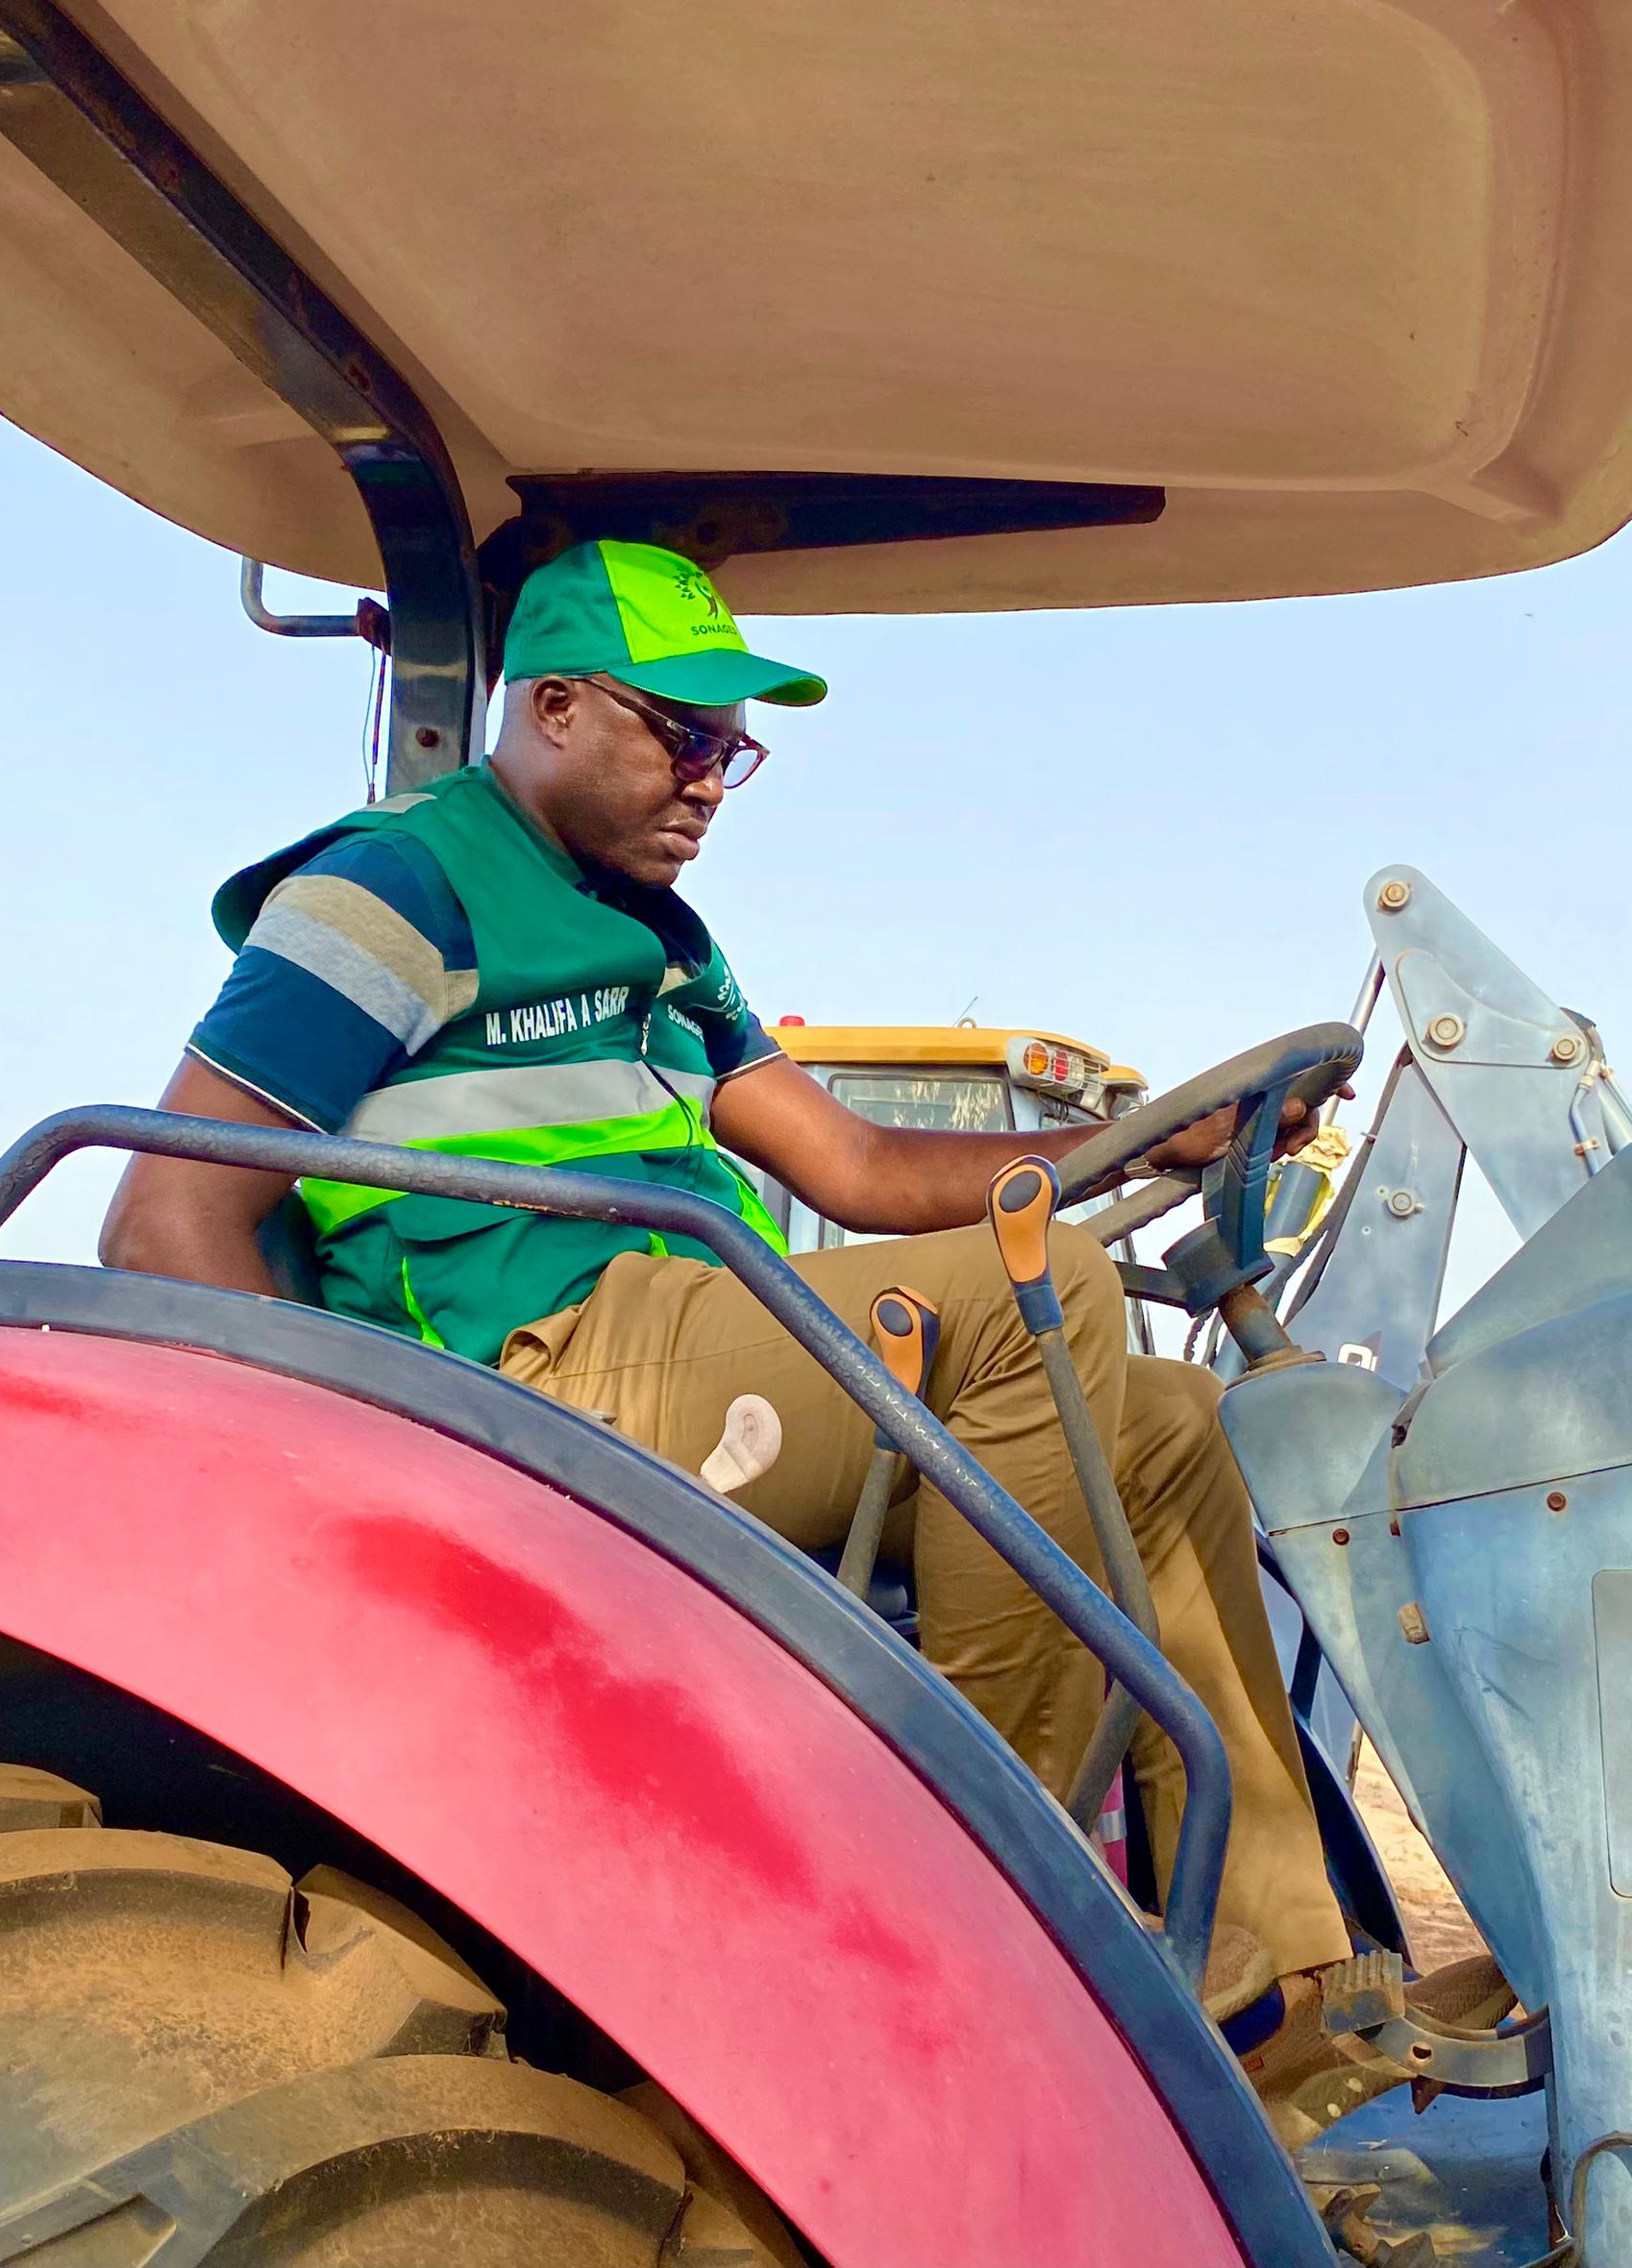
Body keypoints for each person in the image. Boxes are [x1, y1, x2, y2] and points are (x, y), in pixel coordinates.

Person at [101, 538, 1442, 2128]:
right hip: (526, 1376)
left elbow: (860, 1171)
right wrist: (352, 1506)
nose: (713, 781)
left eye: (734, 747)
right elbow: (164, 1221)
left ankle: (1266, 1984)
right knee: (1049, 1300)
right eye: (682, 733)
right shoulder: (394, 886)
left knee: (1156, 1416)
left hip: (687, 1323)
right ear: (550, 708)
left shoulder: (672, 949)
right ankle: (1005, 1917)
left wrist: (1139, 1143)